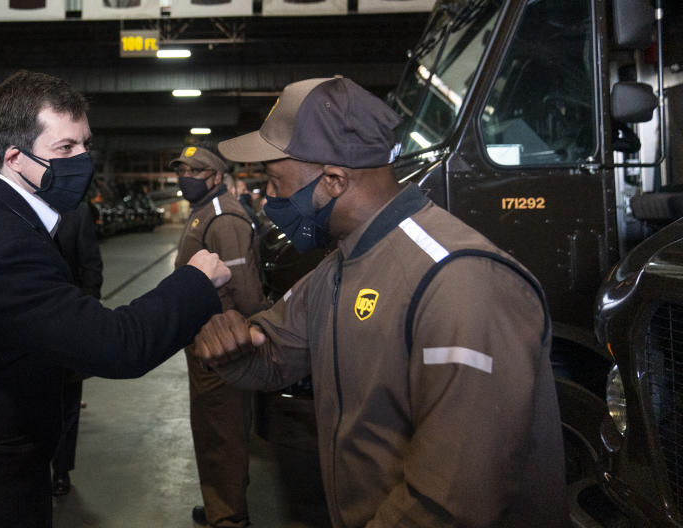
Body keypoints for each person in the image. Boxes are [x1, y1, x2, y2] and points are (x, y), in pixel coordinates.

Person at [194, 77, 566, 528]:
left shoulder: (459, 282)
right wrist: (230, 345)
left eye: (275, 182)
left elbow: (452, 502)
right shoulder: (340, 267)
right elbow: (273, 350)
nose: (269, 199)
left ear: (333, 181)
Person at [0, 70, 230, 528]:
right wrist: (194, 282)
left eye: (86, 144)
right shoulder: (4, 243)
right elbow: (117, 345)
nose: (83, 159)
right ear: (14, 157)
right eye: (65, 149)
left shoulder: (0, 219)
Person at [170, 143, 267, 528]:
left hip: (223, 344)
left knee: (221, 433)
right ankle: (219, 503)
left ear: (216, 177)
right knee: (211, 430)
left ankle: (228, 516)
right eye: (183, 171)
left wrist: (243, 337)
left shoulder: (224, 218)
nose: (187, 178)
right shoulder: (205, 212)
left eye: (196, 172)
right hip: (206, 341)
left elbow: (244, 292)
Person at [51, 200, 104, 496]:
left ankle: (61, 469)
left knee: (68, 403)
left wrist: (87, 310)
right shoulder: (18, 204)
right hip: (27, 324)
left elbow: (91, 264)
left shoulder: (77, 210)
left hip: (69, 323)